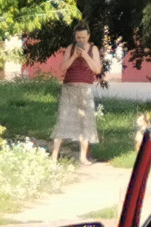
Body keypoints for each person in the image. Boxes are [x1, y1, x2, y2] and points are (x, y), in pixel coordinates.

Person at [50, 22, 103, 165]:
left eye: (83, 37)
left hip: (85, 89)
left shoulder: (94, 49)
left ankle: (83, 157)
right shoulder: (70, 48)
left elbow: (97, 70)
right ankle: (54, 157)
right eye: (78, 38)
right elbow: (63, 68)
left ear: (88, 36)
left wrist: (85, 55)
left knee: (84, 122)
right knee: (62, 119)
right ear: (75, 37)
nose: (80, 40)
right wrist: (74, 56)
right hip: (69, 89)